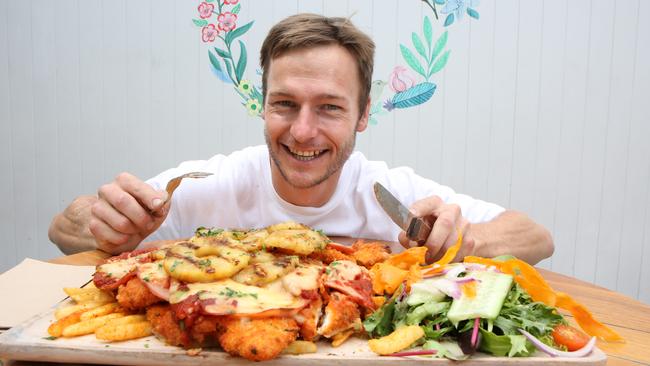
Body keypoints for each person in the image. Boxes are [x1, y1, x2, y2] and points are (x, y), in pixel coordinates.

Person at [48, 14, 553, 264]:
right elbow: (62, 227)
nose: (303, 130)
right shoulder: (210, 184)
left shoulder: (393, 193)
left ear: (363, 116)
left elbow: (537, 237)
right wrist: (102, 224)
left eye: (330, 108)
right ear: (263, 105)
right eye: (285, 104)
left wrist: (470, 239)